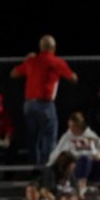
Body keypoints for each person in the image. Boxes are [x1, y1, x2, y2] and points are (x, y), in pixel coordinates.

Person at [10, 34, 79, 166]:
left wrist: (26, 61)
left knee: (33, 138)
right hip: (45, 105)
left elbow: (13, 73)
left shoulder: (31, 60)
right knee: (48, 138)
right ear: (53, 48)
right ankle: (46, 168)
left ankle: (34, 167)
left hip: (29, 105)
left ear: (40, 48)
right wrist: (72, 74)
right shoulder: (56, 62)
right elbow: (73, 79)